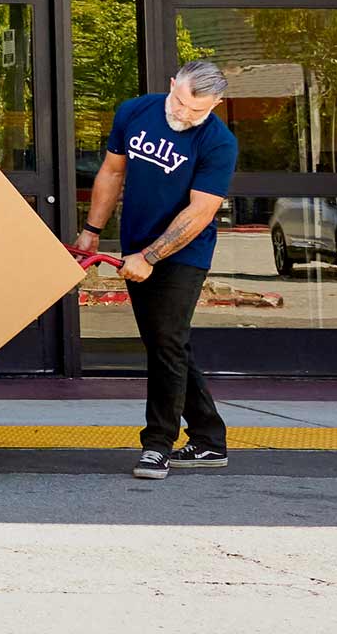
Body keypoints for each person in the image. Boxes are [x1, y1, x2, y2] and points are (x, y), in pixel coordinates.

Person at [73, 60, 239, 480]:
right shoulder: (135, 111)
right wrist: (92, 231)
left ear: (216, 104)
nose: (183, 115)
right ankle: (209, 438)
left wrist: (150, 257)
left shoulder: (219, 142)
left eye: (196, 110)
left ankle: (157, 446)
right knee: (168, 344)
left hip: (183, 252)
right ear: (171, 85)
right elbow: (112, 171)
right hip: (136, 245)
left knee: (166, 343)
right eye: (179, 102)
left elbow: (200, 211)